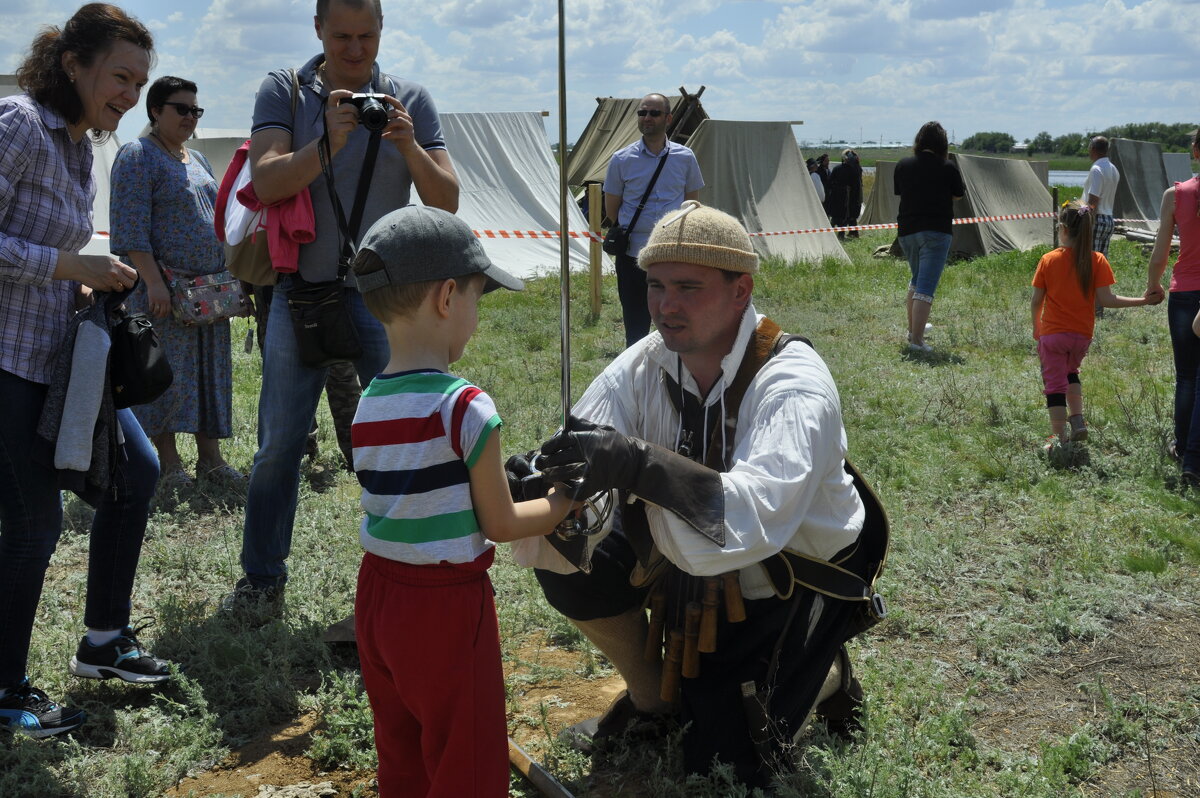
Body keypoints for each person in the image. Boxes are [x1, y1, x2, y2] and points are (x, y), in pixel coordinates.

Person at [520, 202, 886, 787]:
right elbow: (585, 438)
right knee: (562, 545)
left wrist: (637, 463)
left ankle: (828, 672)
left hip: (785, 577)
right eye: (657, 286)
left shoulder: (794, 383)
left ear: (740, 291)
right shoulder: (648, 360)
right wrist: (544, 475)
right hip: (689, 563)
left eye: (688, 288)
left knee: (727, 769)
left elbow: (750, 514)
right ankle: (652, 700)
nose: (666, 306)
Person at [226, 0, 459, 614]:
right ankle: (260, 581)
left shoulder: (410, 96)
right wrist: (328, 141)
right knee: (279, 444)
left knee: (407, 436)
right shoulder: (287, 89)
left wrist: (409, 146)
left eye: (367, 36)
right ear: (318, 31)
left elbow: (447, 201)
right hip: (300, 291)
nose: (355, 51)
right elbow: (268, 181)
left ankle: (411, 574)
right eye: (342, 37)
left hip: (388, 299)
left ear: (382, 31)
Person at [348, 205, 579, 796]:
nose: (476, 314)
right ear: (447, 297)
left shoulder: (367, 402)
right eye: (478, 298)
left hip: (376, 597)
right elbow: (500, 522)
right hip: (445, 609)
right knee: (466, 758)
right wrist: (561, 502)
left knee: (401, 750)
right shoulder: (464, 406)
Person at [0, 2, 170, 739]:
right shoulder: (19, 126)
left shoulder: (76, 147)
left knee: (137, 468)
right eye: (121, 77)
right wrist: (71, 264)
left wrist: (85, 281)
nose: (131, 97)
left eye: (141, 83)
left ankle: (104, 641)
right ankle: (7, 692)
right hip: (7, 363)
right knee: (34, 530)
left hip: (58, 363)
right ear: (74, 64)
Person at [109, 76, 242, 492]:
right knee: (164, 376)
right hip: (163, 290)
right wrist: (153, 283)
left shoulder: (198, 160)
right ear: (155, 110)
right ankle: (169, 464)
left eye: (195, 110)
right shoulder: (137, 155)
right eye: (181, 109)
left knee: (207, 374)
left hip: (207, 295)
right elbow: (130, 229)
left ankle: (211, 459)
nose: (190, 117)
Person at [1032, 202, 1156, 454]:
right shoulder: (1097, 260)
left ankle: (1058, 440)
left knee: (1054, 386)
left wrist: (1037, 328)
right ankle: (1077, 418)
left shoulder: (1048, 260)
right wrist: (1143, 300)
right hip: (1082, 336)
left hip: (1053, 335)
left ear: (1063, 229)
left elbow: (1036, 301)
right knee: (1071, 372)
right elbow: (1108, 301)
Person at [603, 93, 704, 346]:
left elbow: (691, 205)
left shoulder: (685, 157)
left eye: (654, 113)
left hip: (673, 253)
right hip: (633, 254)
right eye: (642, 113)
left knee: (674, 318)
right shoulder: (621, 159)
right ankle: (637, 376)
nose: (647, 118)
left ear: (668, 118)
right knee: (635, 324)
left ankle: (672, 369)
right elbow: (612, 209)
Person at [1147, 129, 1200, 486]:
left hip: (1184, 294)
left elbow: (1162, 250)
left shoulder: (1176, 195)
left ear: (1196, 151)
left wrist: (1153, 284)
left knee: (1187, 376)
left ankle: (1184, 448)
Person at [894, 121, 965, 353]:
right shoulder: (947, 167)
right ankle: (917, 341)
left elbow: (900, 191)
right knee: (926, 288)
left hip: (907, 231)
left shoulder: (903, 165)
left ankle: (912, 329)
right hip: (936, 231)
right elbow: (958, 195)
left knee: (916, 281)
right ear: (942, 143)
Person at [1082, 136, 1119, 257]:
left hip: (1096, 219)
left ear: (1093, 149)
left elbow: (1093, 201)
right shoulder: (1114, 169)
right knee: (1102, 261)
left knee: (1090, 259)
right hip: (1109, 219)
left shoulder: (1096, 169)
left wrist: (1087, 222)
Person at [827, 148, 863, 239]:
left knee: (840, 215)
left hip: (841, 197)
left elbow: (830, 183)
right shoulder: (857, 169)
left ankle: (841, 233)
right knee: (847, 215)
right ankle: (850, 233)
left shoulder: (839, 169)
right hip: (850, 197)